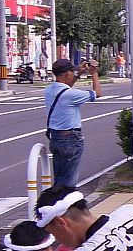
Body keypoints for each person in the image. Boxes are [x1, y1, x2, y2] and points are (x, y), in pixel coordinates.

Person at [44, 58, 102, 187]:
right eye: (72, 71)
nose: (73, 73)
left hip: (55, 138)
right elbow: (97, 93)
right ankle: (67, 199)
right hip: (70, 139)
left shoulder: (49, 90)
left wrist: (79, 74)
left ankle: (58, 199)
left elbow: (65, 88)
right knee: (69, 181)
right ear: (67, 73)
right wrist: (94, 73)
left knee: (60, 180)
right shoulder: (70, 94)